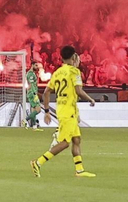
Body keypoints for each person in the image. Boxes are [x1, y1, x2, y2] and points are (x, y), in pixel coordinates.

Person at [31, 45, 98, 178]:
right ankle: (38, 162)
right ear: (74, 57)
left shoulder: (57, 72)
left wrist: (47, 111)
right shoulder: (74, 72)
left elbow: (46, 92)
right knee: (64, 143)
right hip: (68, 111)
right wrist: (90, 99)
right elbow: (79, 91)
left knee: (76, 139)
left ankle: (79, 170)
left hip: (64, 109)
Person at [24, 61, 42, 128]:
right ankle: (25, 120)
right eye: (36, 65)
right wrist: (35, 93)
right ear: (32, 65)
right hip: (32, 93)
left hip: (31, 93)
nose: (37, 67)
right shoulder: (31, 74)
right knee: (38, 110)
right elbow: (31, 85)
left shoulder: (31, 73)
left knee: (33, 110)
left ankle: (34, 126)